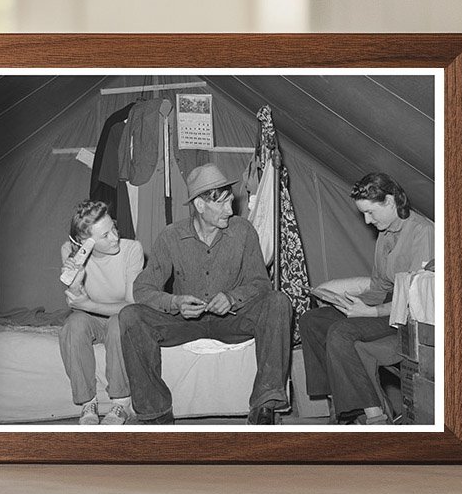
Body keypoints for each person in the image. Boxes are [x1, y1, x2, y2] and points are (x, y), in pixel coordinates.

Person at [119, 163, 292, 425]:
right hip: (184, 323)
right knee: (131, 316)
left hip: (232, 320)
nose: (230, 210)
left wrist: (232, 297)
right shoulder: (171, 237)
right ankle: (155, 413)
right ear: (200, 205)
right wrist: (175, 302)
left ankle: (265, 406)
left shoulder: (243, 231)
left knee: (278, 301)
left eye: (230, 201)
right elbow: (142, 288)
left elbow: (260, 284)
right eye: (221, 203)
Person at [299, 172, 434, 425]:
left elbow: (416, 299)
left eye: (370, 212)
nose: (367, 220)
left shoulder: (422, 232)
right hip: (387, 303)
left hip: (407, 317)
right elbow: (380, 285)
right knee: (312, 320)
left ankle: (374, 416)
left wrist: (370, 312)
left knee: (340, 332)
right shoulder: (385, 233)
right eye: (363, 213)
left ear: (390, 201)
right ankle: (339, 401)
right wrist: (346, 301)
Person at [60, 200, 143, 425]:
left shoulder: (132, 249)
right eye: (105, 235)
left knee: (118, 323)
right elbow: (76, 305)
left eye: (113, 227)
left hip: (122, 317)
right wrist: (76, 283)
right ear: (84, 242)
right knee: (73, 324)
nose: (115, 237)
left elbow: (132, 306)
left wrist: (88, 305)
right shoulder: (69, 251)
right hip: (92, 320)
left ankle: (121, 403)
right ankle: (88, 403)